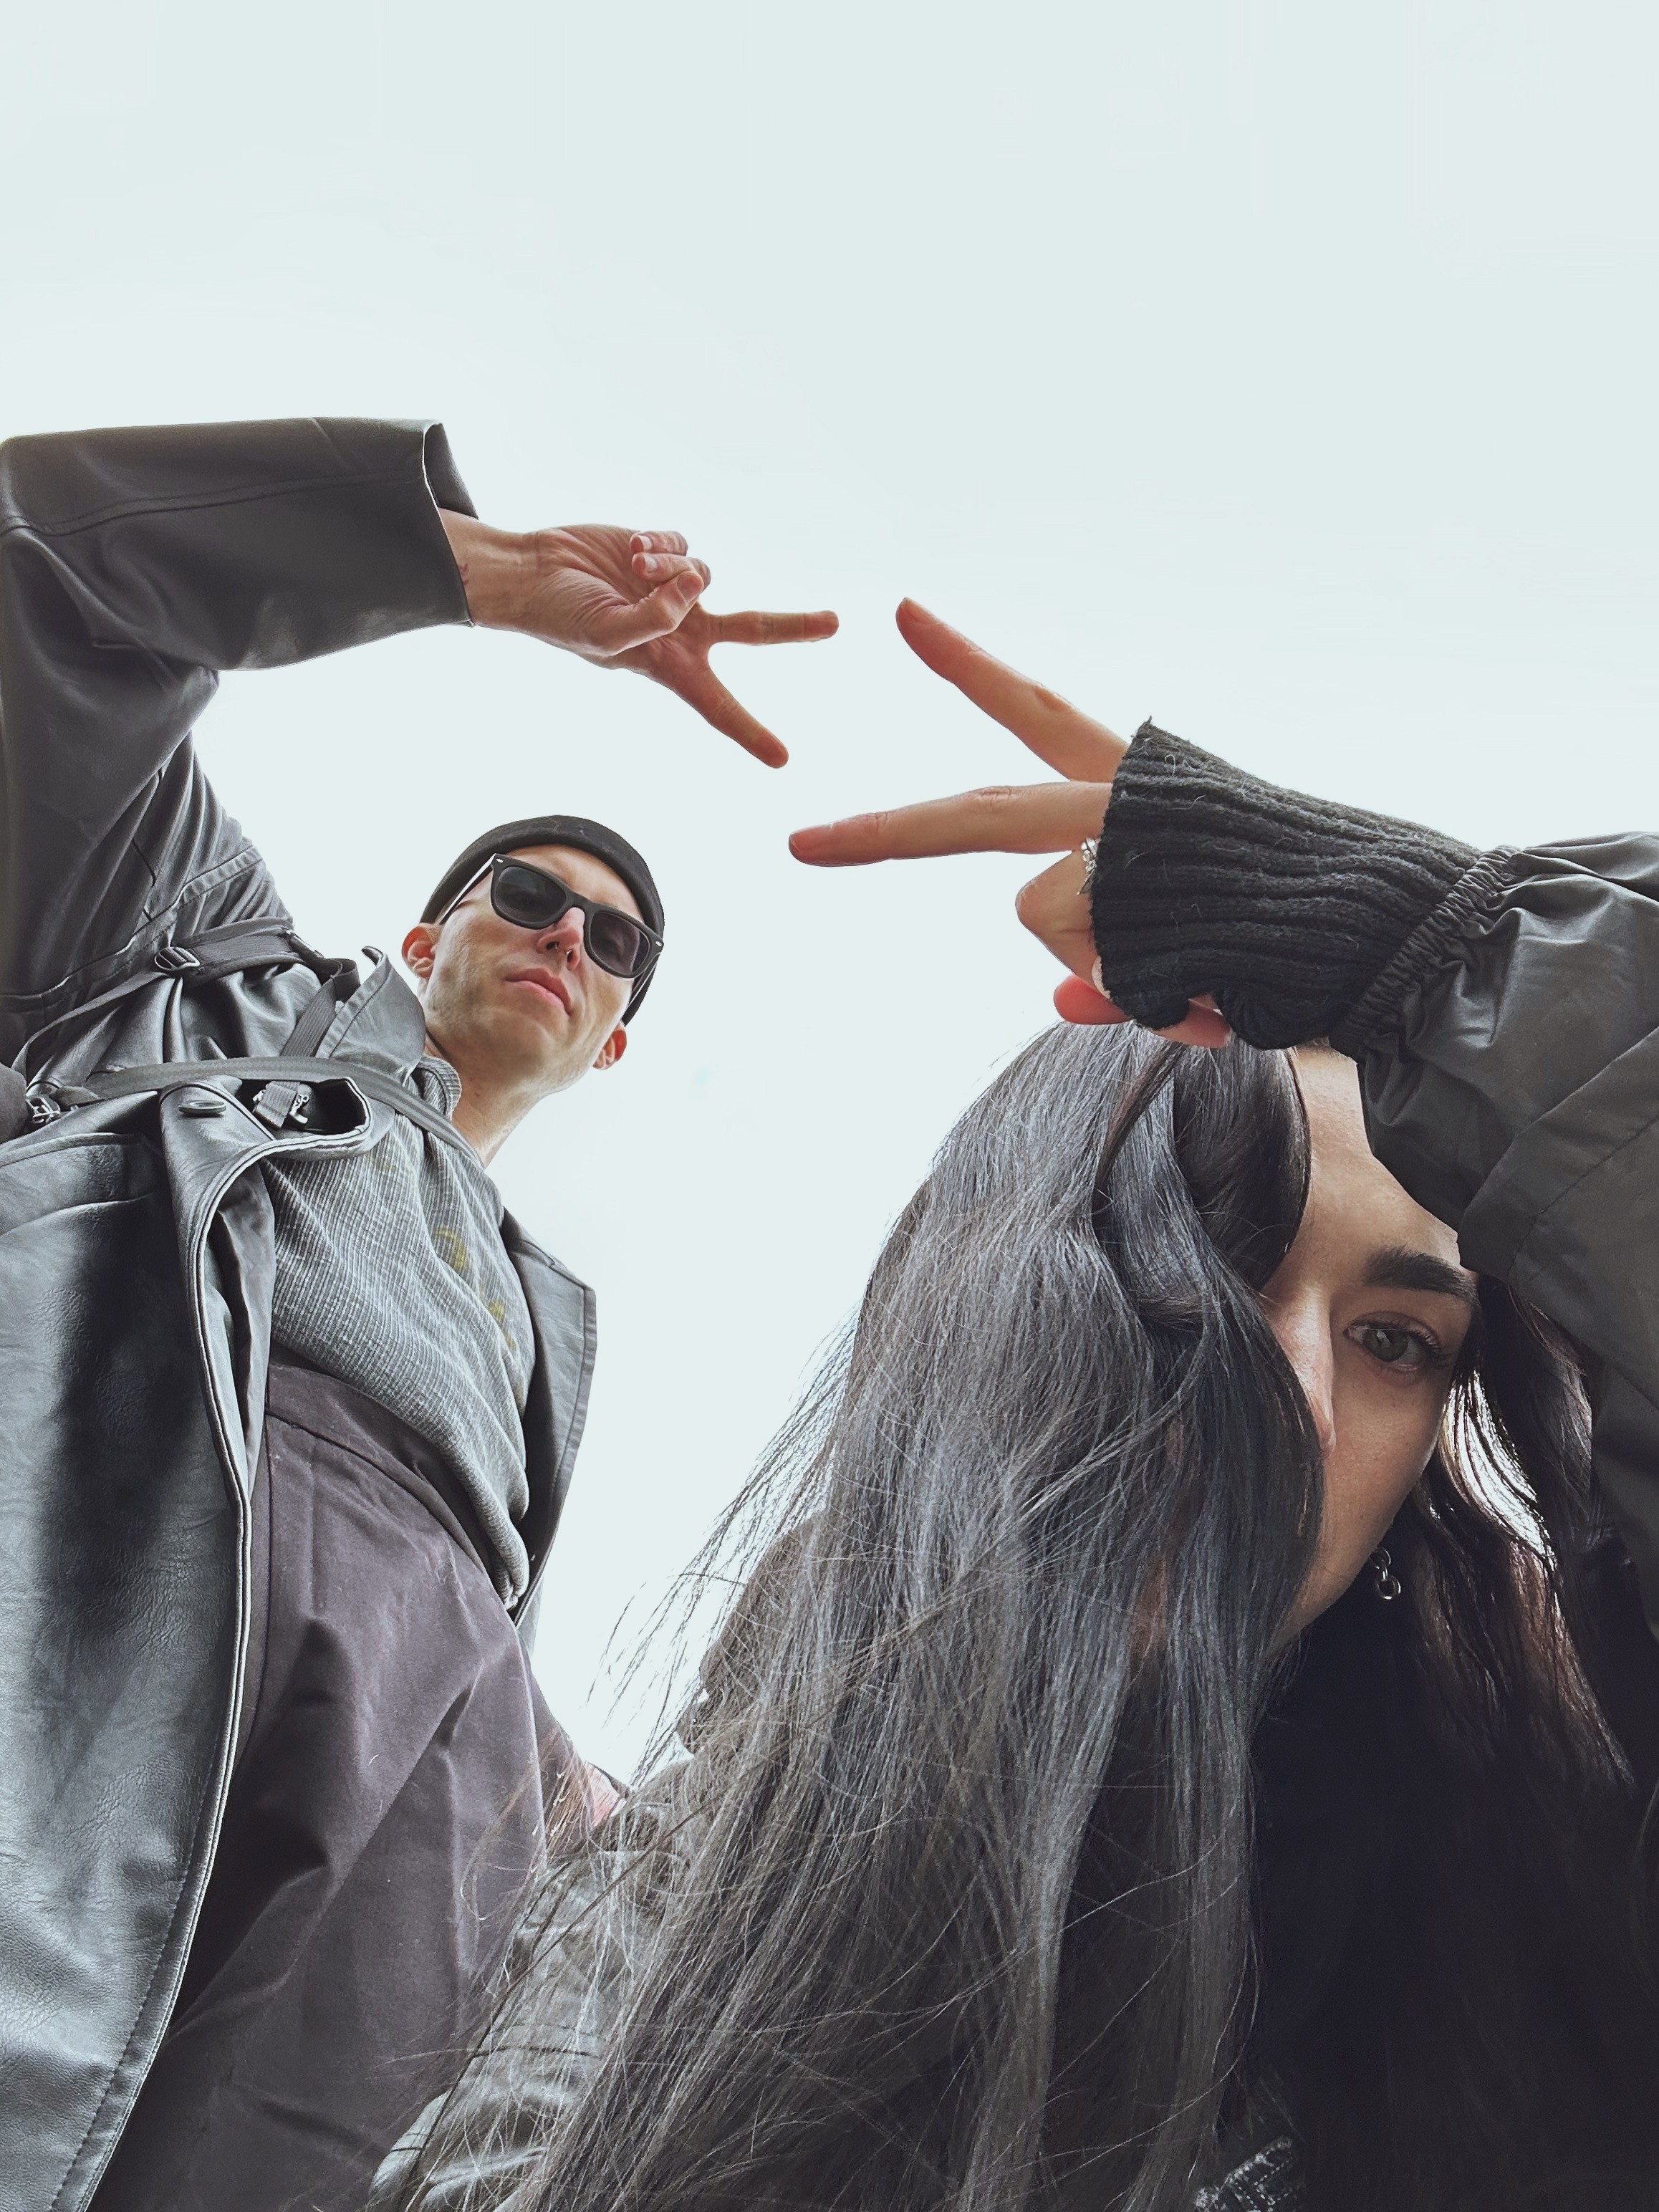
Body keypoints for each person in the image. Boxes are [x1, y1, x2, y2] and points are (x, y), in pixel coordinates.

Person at [379, 602, 1659, 2212]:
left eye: (1399, 1340)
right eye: (1206, 1257)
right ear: (999, 1308)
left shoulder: (1559, 1864)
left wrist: (1459, 958)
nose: (1300, 1405)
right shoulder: (705, 1882)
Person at [0, 415, 835, 2212]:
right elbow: (50, 578)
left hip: (430, 1731)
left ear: (616, 1036)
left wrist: (559, 1783)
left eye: (612, 941)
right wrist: (475, 574)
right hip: (124, 1536)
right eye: (527, 896)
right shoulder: (205, 971)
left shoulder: (546, 1320)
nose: (568, 932)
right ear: (430, 930)